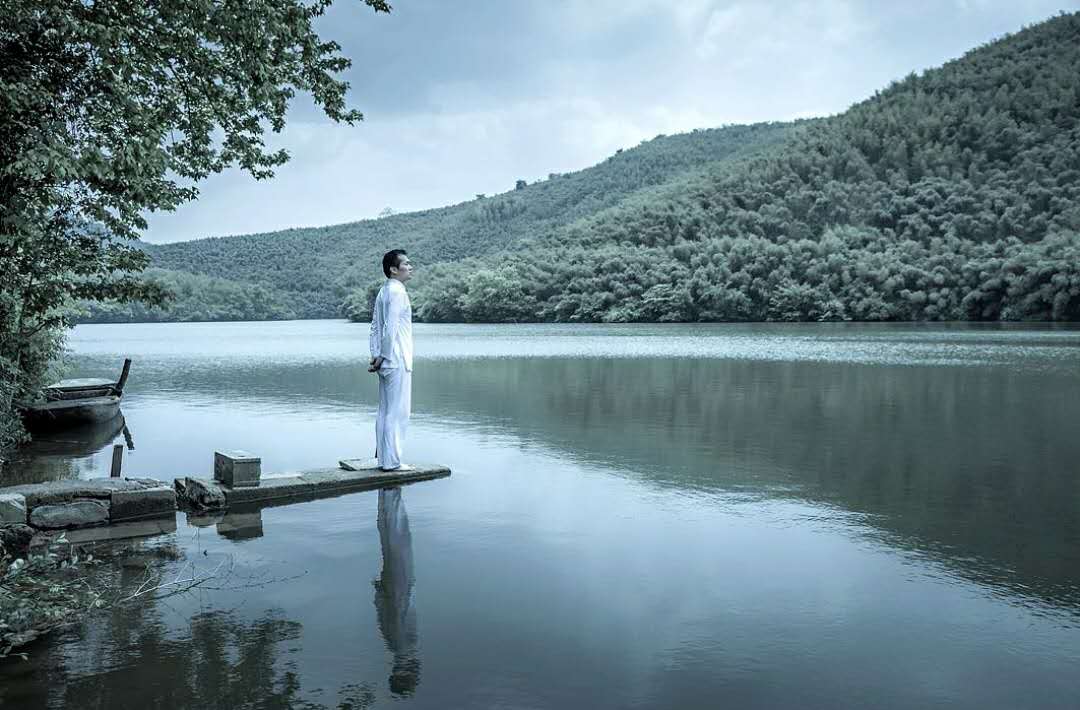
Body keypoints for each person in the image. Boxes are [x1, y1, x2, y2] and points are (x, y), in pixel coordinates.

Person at [368, 249, 414, 471]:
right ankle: (392, 462)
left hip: (386, 360)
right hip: (396, 358)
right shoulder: (398, 292)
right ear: (393, 269)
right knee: (397, 412)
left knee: (385, 411)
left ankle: (384, 460)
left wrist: (376, 354)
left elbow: (374, 327)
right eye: (406, 264)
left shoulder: (383, 291)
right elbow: (390, 327)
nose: (410, 267)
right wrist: (384, 355)